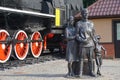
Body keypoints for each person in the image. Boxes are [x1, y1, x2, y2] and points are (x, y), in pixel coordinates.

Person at [76, 8, 97, 77]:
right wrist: (82, 40)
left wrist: (95, 43)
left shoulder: (91, 23)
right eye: (84, 13)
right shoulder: (78, 23)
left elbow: (93, 34)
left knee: (90, 59)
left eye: (87, 13)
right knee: (81, 59)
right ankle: (80, 72)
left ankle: (91, 71)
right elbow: (76, 35)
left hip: (90, 44)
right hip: (82, 44)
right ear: (81, 14)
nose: (86, 14)